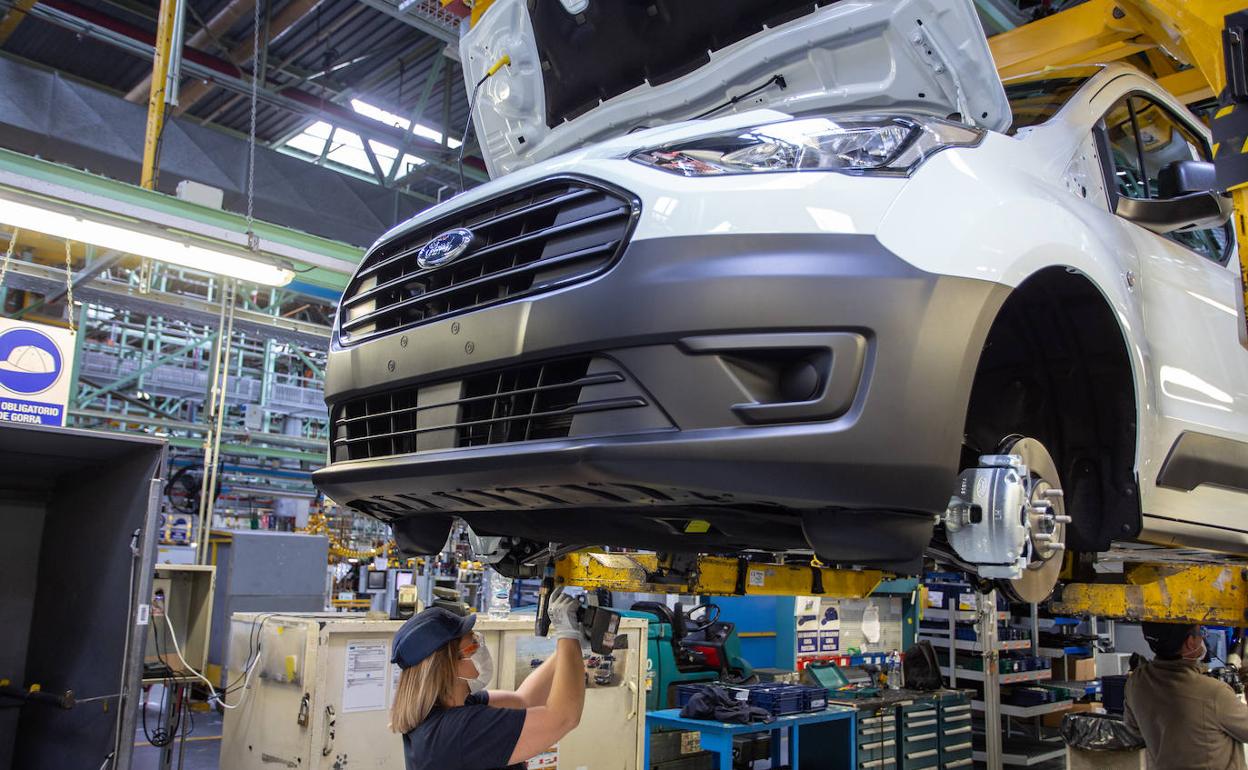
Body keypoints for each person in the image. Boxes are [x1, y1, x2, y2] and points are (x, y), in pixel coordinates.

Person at [389, 589, 587, 770]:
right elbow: (562, 717)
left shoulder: (448, 710)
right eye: (473, 645)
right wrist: (567, 634)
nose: (480, 648)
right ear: (447, 667)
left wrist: (570, 646)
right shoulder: (457, 732)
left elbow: (523, 701)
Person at [1124, 622, 1248, 770]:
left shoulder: (1136, 682)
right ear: (1190, 642)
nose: (1203, 636)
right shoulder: (1214, 693)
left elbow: (1134, 729)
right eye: (1200, 631)